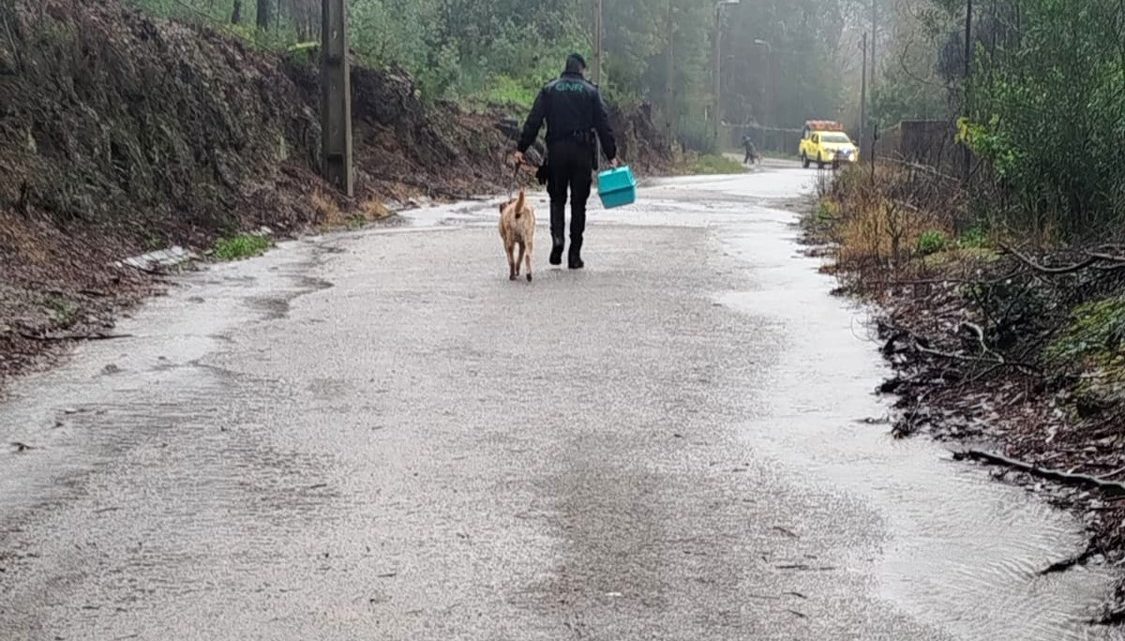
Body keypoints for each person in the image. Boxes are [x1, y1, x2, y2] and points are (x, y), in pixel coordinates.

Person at [514, 53, 618, 270]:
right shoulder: (591, 92)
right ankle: (574, 254)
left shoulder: (550, 89)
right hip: (582, 153)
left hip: (557, 151)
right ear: (581, 69)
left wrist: (521, 148)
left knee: (557, 198)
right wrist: (611, 155)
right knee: (579, 203)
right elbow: (603, 124)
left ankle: (558, 239)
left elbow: (533, 121)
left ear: (566, 67)